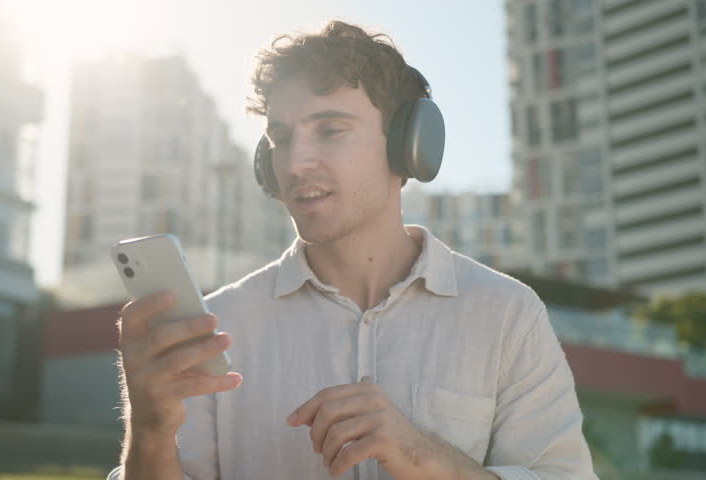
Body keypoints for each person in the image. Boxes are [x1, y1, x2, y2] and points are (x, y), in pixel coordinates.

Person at [110, 20, 598, 480]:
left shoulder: (507, 315)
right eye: (281, 138)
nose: (296, 163)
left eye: (330, 129)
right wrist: (150, 434)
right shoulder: (215, 329)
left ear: (409, 146)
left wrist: (421, 454)